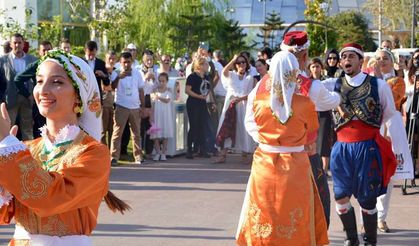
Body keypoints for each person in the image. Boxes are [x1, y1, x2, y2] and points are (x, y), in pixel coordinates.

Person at [0, 49, 129, 245]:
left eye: (57, 82)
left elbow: (50, 198)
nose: (43, 90)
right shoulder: (25, 149)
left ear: (78, 96)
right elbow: (4, 214)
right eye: (40, 81)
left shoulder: (94, 153)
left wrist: (8, 149)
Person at [236, 50, 329, 245]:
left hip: (265, 163)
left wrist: (265, 140)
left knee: (264, 209)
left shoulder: (258, 100)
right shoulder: (305, 103)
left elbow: (250, 124)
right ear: (295, 72)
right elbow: (312, 131)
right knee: (295, 211)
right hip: (295, 165)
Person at [329, 43, 405, 245]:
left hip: (367, 148)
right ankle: (351, 239)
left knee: (367, 199)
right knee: (340, 195)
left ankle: (370, 240)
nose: (346, 59)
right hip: (341, 149)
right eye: (343, 56)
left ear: (361, 60)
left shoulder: (378, 85)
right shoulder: (332, 84)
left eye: (351, 56)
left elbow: (389, 112)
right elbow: (313, 95)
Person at [281, 31, 341, 228]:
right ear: (305, 56)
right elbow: (333, 101)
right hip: (306, 152)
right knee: (319, 199)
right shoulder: (313, 87)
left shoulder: (262, 86)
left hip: (274, 156)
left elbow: (251, 123)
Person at [214, 54, 255, 163]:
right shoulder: (231, 75)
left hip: (244, 106)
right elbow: (224, 72)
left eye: (243, 62)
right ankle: (223, 155)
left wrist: (241, 98)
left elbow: (252, 94)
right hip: (230, 105)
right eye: (239, 62)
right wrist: (233, 59)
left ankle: (245, 154)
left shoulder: (250, 77)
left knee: (243, 129)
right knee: (226, 128)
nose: (241, 64)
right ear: (235, 65)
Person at [0, 33, 37, 140]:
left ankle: (28, 153)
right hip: (10, 99)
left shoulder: (32, 59)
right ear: (11, 44)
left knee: (28, 129)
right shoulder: (3, 60)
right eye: (15, 43)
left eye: (19, 42)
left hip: (27, 98)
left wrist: (33, 95)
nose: (17, 45)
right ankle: (8, 153)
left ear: (23, 44)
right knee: (9, 129)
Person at [110, 52, 145, 165]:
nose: (126, 64)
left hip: (135, 106)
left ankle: (138, 156)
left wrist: (142, 106)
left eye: (128, 62)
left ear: (132, 61)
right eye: (124, 62)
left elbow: (140, 90)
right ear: (120, 62)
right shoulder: (116, 72)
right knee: (117, 132)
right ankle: (113, 157)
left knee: (136, 133)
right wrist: (119, 77)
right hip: (121, 106)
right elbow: (112, 87)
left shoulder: (137, 73)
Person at [13, 40, 53, 138]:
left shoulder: (57, 64)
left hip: (54, 102)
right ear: (39, 52)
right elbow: (18, 79)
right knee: (40, 131)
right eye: (44, 50)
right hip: (41, 103)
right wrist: (28, 95)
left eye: (49, 50)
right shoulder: (36, 65)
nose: (47, 53)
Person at [185, 57, 211, 159]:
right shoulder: (192, 77)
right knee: (194, 126)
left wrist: (205, 95)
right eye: (205, 64)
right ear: (199, 65)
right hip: (193, 103)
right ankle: (189, 150)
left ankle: (202, 149)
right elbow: (187, 90)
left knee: (202, 126)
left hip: (202, 103)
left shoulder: (206, 77)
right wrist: (198, 96)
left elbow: (208, 88)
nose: (207, 66)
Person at [150, 72, 174, 161]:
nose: (161, 83)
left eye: (163, 81)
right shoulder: (155, 91)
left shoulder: (169, 90)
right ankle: (158, 152)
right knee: (155, 134)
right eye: (160, 81)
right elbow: (152, 104)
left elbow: (167, 100)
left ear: (167, 81)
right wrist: (151, 115)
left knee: (165, 134)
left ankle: (163, 152)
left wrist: (158, 97)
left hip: (166, 115)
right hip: (157, 114)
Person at [101, 50, 117, 147]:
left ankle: (111, 153)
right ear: (106, 59)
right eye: (109, 59)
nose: (111, 61)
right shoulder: (102, 72)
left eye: (113, 59)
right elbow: (105, 87)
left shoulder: (116, 72)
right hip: (104, 104)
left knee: (113, 130)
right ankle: (103, 152)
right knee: (103, 131)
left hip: (114, 105)